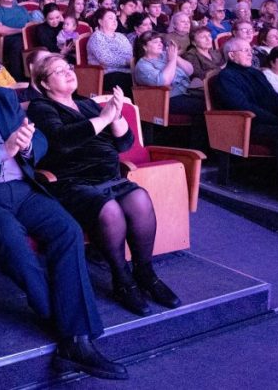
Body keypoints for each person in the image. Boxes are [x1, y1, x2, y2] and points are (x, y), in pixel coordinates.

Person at [0, 41, 125, 380]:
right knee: (11, 236)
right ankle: (70, 332)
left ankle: (74, 340)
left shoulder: (4, 97)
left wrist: (28, 145)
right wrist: (4, 150)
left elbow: (40, 139)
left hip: (22, 188)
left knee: (67, 230)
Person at [29, 56, 180, 317]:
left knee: (140, 198)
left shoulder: (86, 104)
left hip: (110, 177)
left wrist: (116, 116)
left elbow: (124, 144)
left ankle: (145, 273)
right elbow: (62, 141)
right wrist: (104, 117)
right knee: (110, 210)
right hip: (72, 182)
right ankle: (122, 280)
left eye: (69, 67)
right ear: (44, 83)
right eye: (58, 71)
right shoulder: (41, 107)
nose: (68, 72)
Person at [213, 38, 278, 209]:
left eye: (250, 50)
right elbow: (242, 106)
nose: (250, 53)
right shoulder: (225, 77)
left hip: (269, 120)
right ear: (232, 55)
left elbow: (273, 97)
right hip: (245, 125)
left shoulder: (255, 73)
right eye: (245, 50)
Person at [132, 31, 204, 116]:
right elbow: (164, 82)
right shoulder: (143, 65)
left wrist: (175, 56)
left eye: (160, 41)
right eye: (155, 42)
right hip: (168, 98)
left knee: (213, 98)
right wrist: (172, 60)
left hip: (187, 90)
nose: (160, 44)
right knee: (203, 106)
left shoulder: (164, 55)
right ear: (145, 47)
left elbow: (190, 71)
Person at [86, 8, 133, 97]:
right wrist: (127, 62)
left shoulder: (120, 36)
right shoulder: (97, 37)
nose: (115, 21)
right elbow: (106, 59)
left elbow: (129, 53)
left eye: (115, 19)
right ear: (100, 21)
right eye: (110, 18)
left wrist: (129, 61)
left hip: (126, 71)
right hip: (105, 75)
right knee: (129, 82)